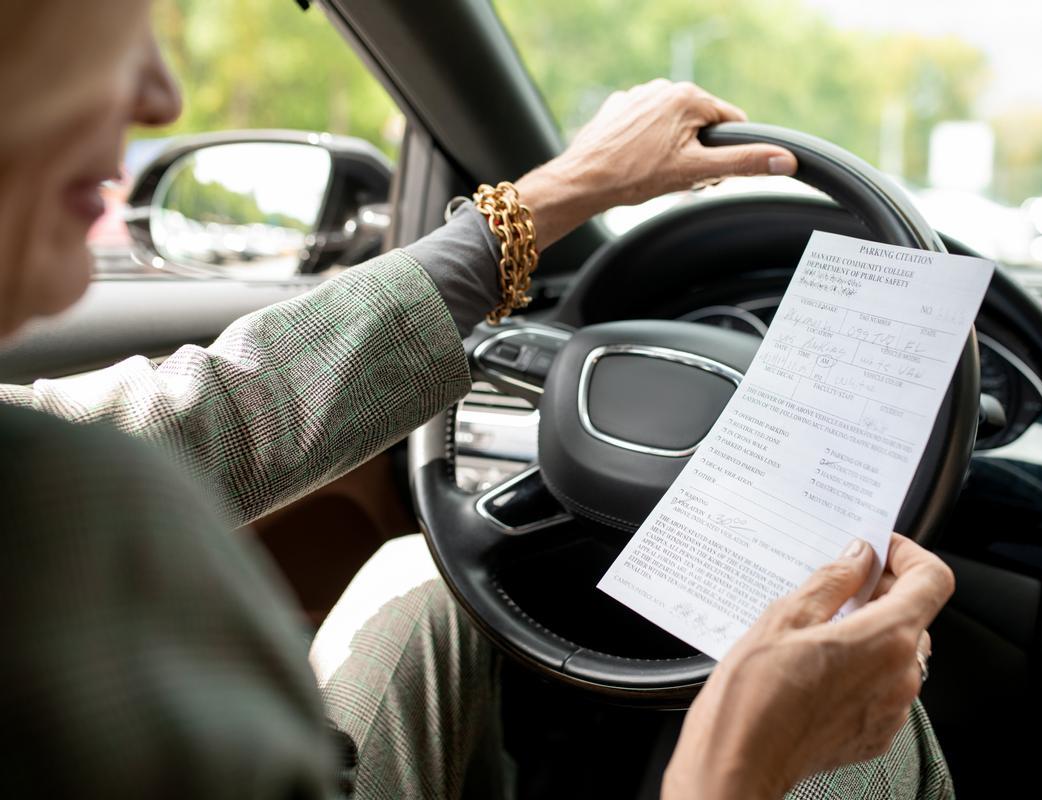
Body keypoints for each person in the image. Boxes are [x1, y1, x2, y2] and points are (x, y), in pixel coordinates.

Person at [0, 1, 956, 798]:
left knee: (418, 581)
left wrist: (552, 198)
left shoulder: (49, 491)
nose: (164, 98)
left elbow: (205, 419)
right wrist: (738, 761)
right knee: (857, 736)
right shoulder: (70, 502)